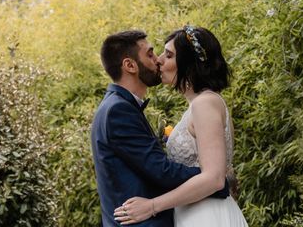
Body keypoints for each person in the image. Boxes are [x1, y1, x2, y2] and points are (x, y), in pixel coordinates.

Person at [91, 30, 228, 227]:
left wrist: (214, 177)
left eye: (167, 55)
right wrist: (218, 179)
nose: (158, 60)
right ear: (130, 65)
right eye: (150, 54)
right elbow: (162, 171)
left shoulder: (118, 106)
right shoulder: (117, 110)